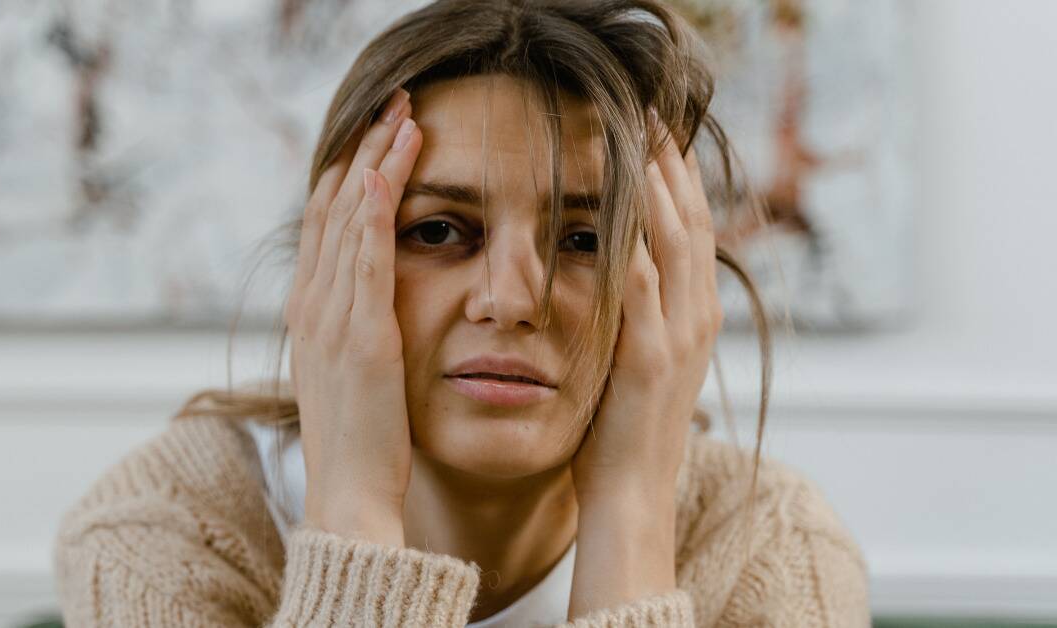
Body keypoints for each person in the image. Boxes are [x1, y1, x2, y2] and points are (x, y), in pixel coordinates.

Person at [53, 1, 869, 625]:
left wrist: (632, 514)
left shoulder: (772, 550)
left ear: (675, 280)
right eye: (438, 230)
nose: (512, 301)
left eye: (584, 239)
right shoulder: (167, 532)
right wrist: (354, 514)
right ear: (336, 260)